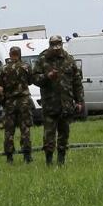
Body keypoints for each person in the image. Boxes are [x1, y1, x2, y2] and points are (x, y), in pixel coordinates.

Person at [32, 35, 84, 166]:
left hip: (66, 103)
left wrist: (79, 101)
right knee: (49, 134)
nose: (56, 48)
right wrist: (47, 76)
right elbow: (34, 79)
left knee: (64, 133)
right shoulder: (43, 59)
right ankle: (49, 160)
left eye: (58, 45)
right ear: (50, 45)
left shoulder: (68, 59)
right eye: (54, 45)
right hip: (50, 103)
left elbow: (77, 82)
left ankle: (61, 160)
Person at [0, 46, 33, 164]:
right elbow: (30, 81)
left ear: (10, 54)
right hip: (24, 101)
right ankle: (27, 155)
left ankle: (9, 157)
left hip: (9, 102)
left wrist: (1, 102)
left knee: (9, 130)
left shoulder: (3, 69)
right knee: (25, 129)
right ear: (19, 54)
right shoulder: (26, 67)